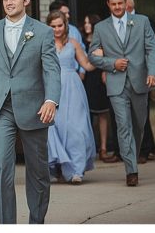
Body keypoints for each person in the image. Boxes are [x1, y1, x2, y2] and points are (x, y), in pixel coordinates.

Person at [0, 0, 61, 224]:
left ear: (26, 1)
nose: (9, 3)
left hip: (34, 108)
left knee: (38, 171)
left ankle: (36, 222)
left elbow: (52, 71)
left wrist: (51, 100)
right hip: (0, 108)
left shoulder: (42, 31)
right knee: (1, 169)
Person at [88, 0, 155, 184]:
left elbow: (152, 49)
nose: (118, 7)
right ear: (108, 5)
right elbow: (92, 56)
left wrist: (153, 72)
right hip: (116, 84)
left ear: (125, 3)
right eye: (114, 4)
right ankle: (131, 171)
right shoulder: (101, 28)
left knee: (139, 125)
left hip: (140, 82)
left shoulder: (142, 22)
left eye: (120, 3)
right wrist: (112, 63)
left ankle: (132, 157)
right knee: (123, 126)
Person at [44, 11, 98, 184]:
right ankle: (56, 167)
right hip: (52, 88)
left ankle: (76, 171)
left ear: (65, 25)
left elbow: (87, 66)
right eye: (53, 26)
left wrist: (99, 56)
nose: (57, 29)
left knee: (77, 129)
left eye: (60, 25)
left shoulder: (73, 43)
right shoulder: (44, 44)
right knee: (55, 128)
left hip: (73, 89)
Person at [82, 14, 117, 163]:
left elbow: (109, 56)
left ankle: (103, 148)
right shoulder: (81, 41)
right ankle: (89, 148)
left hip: (100, 78)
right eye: (85, 22)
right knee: (87, 116)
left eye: (89, 22)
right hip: (87, 79)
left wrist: (105, 70)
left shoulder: (101, 40)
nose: (86, 25)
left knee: (103, 114)